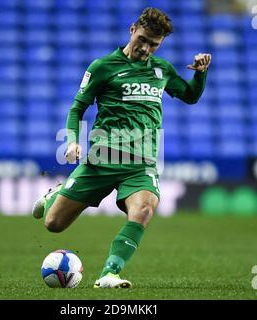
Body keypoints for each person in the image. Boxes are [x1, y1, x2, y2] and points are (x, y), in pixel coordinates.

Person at [32, 7, 211, 288]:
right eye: (143, 39)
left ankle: (110, 273)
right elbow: (76, 109)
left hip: (141, 162)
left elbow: (189, 96)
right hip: (103, 158)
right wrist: (72, 141)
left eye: (154, 44)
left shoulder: (162, 69)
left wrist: (200, 75)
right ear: (132, 30)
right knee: (53, 224)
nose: (146, 48)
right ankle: (56, 194)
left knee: (145, 209)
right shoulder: (103, 67)